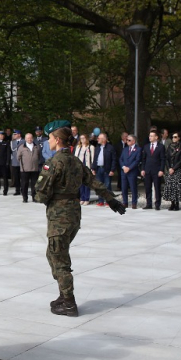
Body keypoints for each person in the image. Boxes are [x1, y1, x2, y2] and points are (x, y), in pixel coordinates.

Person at [35, 126, 125, 317]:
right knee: (54, 254)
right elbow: (94, 182)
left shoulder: (54, 162)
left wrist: (44, 196)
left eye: (50, 138)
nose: (48, 141)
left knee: (59, 260)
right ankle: (63, 294)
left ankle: (68, 302)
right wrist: (111, 199)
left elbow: (41, 193)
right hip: (74, 214)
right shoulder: (75, 161)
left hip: (59, 216)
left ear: (58, 140)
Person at [140, 131, 166, 210]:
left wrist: (161, 170)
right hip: (148, 170)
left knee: (157, 187)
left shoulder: (161, 147)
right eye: (149, 136)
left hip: (156, 170)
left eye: (151, 136)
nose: (150, 137)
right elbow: (143, 159)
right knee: (147, 187)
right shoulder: (146, 146)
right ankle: (149, 203)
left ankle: (157, 204)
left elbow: (163, 159)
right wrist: (143, 169)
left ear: (156, 137)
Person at [91, 133, 117, 206]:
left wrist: (112, 170)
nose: (97, 139)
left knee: (107, 185)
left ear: (104, 139)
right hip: (99, 168)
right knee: (99, 186)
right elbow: (95, 158)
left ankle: (108, 201)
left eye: (99, 138)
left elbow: (114, 159)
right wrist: (93, 168)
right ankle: (101, 201)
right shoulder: (98, 147)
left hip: (107, 169)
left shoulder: (110, 148)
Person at [163, 133, 181, 210]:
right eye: (172, 137)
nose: (174, 138)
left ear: (179, 138)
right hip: (170, 169)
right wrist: (169, 168)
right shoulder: (169, 147)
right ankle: (172, 203)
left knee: (177, 187)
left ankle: (177, 203)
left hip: (177, 169)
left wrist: (174, 168)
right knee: (170, 187)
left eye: (175, 137)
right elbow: (166, 158)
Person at [17, 132, 42, 203]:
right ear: (25, 139)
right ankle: (25, 198)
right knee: (24, 184)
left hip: (34, 169)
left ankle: (34, 197)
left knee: (34, 184)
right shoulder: (21, 147)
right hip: (25, 169)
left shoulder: (36, 146)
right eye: (28, 138)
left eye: (30, 138)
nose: (29, 139)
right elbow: (18, 157)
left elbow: (39, 156)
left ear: (33, 138)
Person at [119, 134, 141, 209]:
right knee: (124, 187)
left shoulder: (138, 149)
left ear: (134, 141)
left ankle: (134, 203)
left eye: (129, 140)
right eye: (127, 140)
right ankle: (125, 202)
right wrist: (123, 167)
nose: (127, 141)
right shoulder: (125, 149)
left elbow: (137, 160)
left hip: (132, 171)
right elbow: (121, 159)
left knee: (133, 187)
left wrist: (129, 168)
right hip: (124, 171)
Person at [74, 134, 95, 205]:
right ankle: (82, 198)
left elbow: (92, 159)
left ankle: (86, 198)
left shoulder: (90, 147)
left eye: (84, 138)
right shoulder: (78, 147)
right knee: (80, 184)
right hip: (79, 167)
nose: (82, 140)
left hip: (87, 167)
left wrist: (92, 168)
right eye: (81, 138)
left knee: (87, 183)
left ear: (86, 139)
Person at [10, 130, 23, 195]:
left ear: (19, 135)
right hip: (15, 162)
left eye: (15, 134)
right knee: (16, 177)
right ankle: (17, 190)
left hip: (22, 162)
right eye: (13, 134)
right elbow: (13, 149)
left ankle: (23, 189)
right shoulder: (12, 142)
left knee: (23, 177)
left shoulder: (24, 141)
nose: (14, 136)